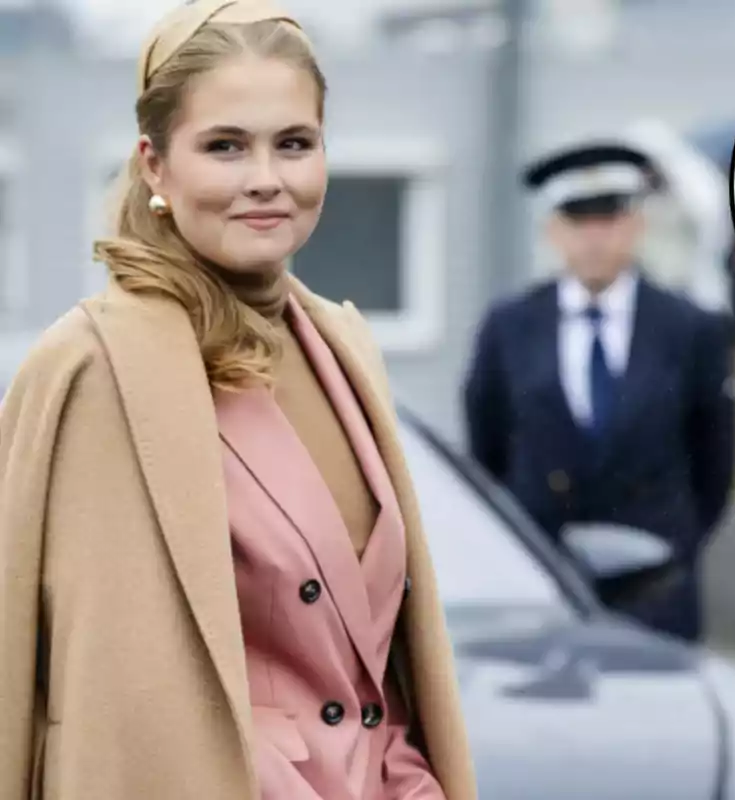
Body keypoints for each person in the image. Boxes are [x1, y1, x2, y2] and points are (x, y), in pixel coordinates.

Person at [0, 2, 475, 798]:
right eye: (225, 146)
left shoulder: (343, 348)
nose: (266, 178)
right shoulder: (93, 369)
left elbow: (381, 673)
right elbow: (94, 701)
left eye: (294, 143)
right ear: (154, 165)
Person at [463, 141, 735, 643]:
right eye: (577, 220)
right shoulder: (510, 327)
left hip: (656, 589)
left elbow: (715, 467)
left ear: (636, 225)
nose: (593, 237)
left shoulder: (690, 329)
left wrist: (671, 547)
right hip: (541, 583)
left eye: (608, 218)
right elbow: (487, 455)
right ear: (552, 231)